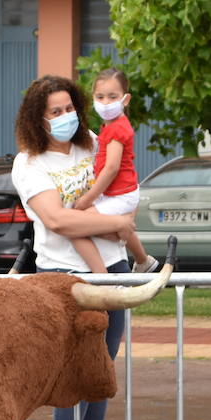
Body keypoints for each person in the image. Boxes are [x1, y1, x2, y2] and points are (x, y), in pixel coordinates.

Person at [10, 75, 138, 420]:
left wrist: (118, 221)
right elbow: (58, 220)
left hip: (113, 268)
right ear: (38, 119)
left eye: (70, 108)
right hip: (64, 278)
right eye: (55, 112)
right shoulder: (30, 164)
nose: (66, 117)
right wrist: (117, 223)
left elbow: (120, 183)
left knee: (101, 363)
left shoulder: (93, 142)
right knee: (69, 368)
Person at [70, 68, 158, 275]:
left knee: (77, 222)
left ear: (125, 100)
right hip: (122, 193)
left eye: (113, 97)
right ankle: (141, 258)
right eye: (100, 97)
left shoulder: (117, 128)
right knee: (109, 225)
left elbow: (111, 168)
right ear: (93, 98)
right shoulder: (110, 126)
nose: (106, 102)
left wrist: (87, 199)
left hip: (121, 196)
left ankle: (118, 251)